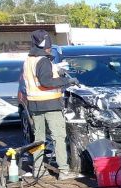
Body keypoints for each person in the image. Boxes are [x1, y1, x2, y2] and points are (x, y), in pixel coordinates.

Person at [22, 30, 79, 179]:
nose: (49, 48)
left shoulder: (29, 60)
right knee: (58, 137)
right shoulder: (43, 60)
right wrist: (68, 81)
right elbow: (46, 81)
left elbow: (37, 77)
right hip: (50, 104)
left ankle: (38, 169)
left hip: (34, 105)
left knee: (38, 138)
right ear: (45, 46)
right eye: (48, 46)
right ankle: (63, 170)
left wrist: (57, 70)